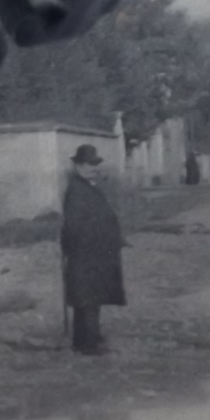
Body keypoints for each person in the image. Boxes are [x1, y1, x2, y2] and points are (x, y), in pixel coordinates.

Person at [61, 144, 126, 355]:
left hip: (95, 252)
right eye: (90, 164)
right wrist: (77, 247)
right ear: (79, 165)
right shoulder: (77, 190)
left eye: (96, 164)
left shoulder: (87, 186)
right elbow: (72, 225)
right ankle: (87, 343)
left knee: (92, 295)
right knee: (87, 297)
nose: (94, 168)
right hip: (86, 253)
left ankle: (90, 336)